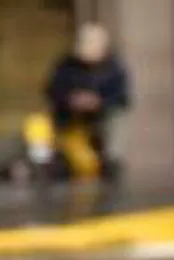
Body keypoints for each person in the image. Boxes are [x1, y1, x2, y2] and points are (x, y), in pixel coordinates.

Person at [45, 22, 131, 180]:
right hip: (71, 118)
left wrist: (99, 102)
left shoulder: (114, 67)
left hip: (100, 117)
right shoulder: (66, 66)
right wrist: (72, 100)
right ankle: (60, 159)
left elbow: (122, 97)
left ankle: (112, 161)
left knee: (119, 118)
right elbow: (52, 91)